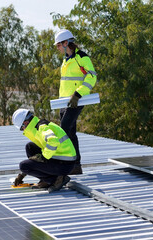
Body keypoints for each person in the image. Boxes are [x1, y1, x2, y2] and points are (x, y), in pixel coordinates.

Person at [54, 29, 97, 175]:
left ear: (66, 43)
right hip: (64, 102)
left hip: (76, 100)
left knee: (64, 129)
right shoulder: (66, 60)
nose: (58, 48)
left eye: (59, 45)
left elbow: (91, 78)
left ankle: (62, 164)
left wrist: (78, 94)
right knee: (70, 132)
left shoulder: (82, 58)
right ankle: (76, 166)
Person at [12, 108, 76, 193]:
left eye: (22, 128)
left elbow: (53, 141)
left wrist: (43, 157)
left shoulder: (41, 128)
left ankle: (55, 179)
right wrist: (22, 175)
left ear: (26, 123)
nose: (23, 130)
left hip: (65, 164)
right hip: (61, 159)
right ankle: (47, 179)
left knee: (24, 166)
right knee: (30, 147)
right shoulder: (36, 126)